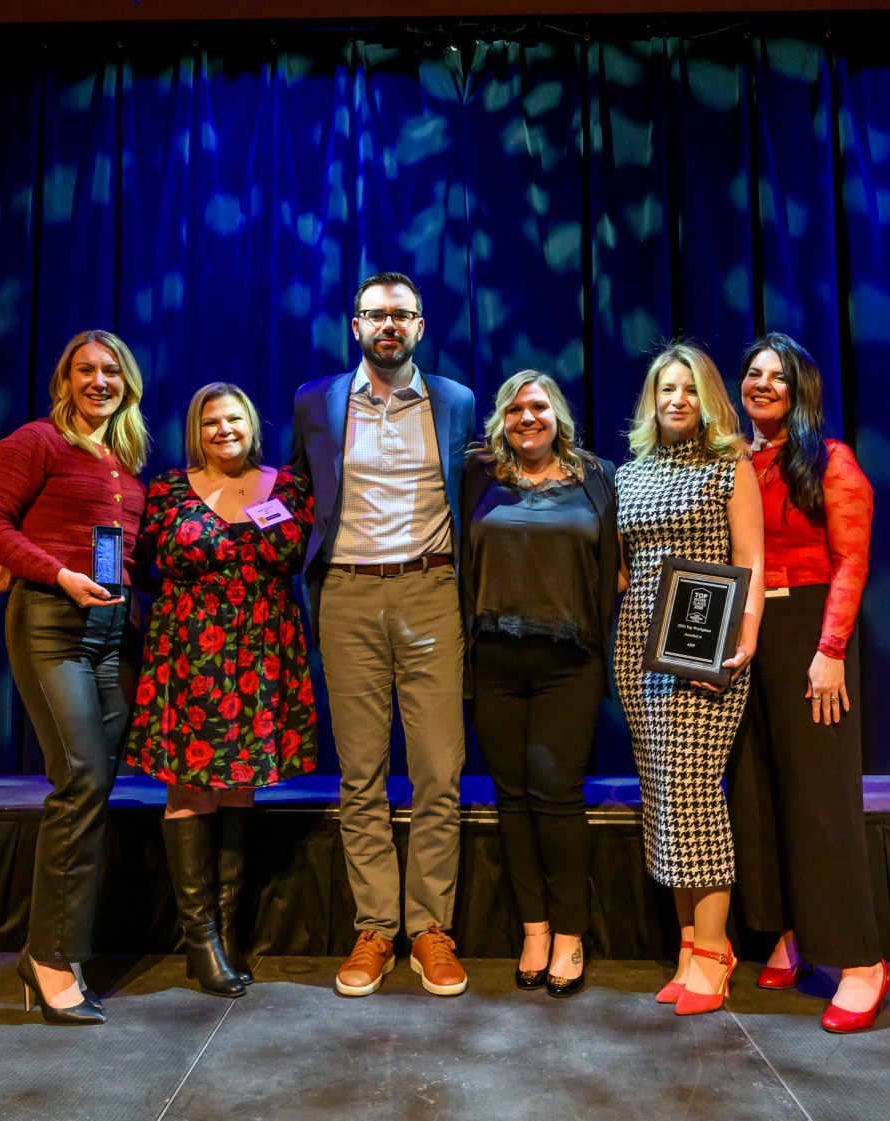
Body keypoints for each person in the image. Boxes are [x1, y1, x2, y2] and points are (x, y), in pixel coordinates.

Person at [288, 271, 477, 998]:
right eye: (375, 314)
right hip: (346, 594)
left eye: (401, 314)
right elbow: (298, 489)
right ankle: (376, 928)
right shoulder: (316, 399)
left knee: (437, 768)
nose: (388, 324)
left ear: (421, 327)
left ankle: (429, 927)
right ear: (355, 326)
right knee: (360, 772)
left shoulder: (456, 402)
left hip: (431, 591)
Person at [0, 329, 151, 1026]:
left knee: (94, 789)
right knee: (78, 781)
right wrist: (49, 571)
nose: (98, 381)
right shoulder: (34, 442)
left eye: (110, 371)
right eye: (85, 370)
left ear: (127, 382)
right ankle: (48, 961)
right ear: (64, 380)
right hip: (51, 627)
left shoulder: (125, 462)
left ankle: (57, 948)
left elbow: (123, 549)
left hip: (111, 637)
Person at [124, 382, 318, 998]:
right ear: (196, 430)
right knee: (190, 792)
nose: (224, 430)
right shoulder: (167, 490)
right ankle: (200, 940)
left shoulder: (286, 486)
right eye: (211, 422)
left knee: (239, 790)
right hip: (188, 654)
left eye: (234, 419)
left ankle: (227, 934)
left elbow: (303, 558)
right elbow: (127, 557)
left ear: (251, 424)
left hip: (263, 654)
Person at [727, 333, 889, 1032]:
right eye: (753, 373)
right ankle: (789, 931)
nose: (762, 384)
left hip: (811, 637)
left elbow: (851, 562)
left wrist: (829, 650)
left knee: (820, 801)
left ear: (800, 392)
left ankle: (860, 961)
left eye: (778, 377)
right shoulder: (734, 460)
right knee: (762, 795)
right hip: (751, 634)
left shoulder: (831, 459)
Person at [614, 342, 765, 1016]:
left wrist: (745, 637)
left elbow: (751, 559)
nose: (676, 399)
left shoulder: (730, 465)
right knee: (665, 800)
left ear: (708, 399)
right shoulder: (628, 474)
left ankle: (713, 948)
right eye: (664, 389)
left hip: (705, 652)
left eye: (688, 389)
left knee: (695, 794)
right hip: (636, 652)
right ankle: (691, 947)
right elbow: (622, 569)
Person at [458, 371, 618, 998]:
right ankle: (535, 928)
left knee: (556, 792)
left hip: (568, 660)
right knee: (512, 794)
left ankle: (572, 934)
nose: (527, 418)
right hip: (494, 658)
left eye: (538, 407)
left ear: (558, 416)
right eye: (515, 409)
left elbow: (619, 565)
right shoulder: (479, 477)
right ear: (501, 419)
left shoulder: (595, 477)